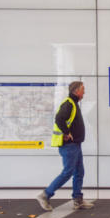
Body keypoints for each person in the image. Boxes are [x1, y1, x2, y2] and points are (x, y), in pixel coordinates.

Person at [37, 81, 94, 211]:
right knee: (68, 172)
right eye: (83, 90)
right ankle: (45, 195)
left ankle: (78, 200)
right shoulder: (69, 103)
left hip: (75, 145)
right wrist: (67, 133)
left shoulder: (73, 104)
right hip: (69, 146)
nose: (84, 92)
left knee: (79, 172)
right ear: (77, 91)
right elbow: (59, 118)